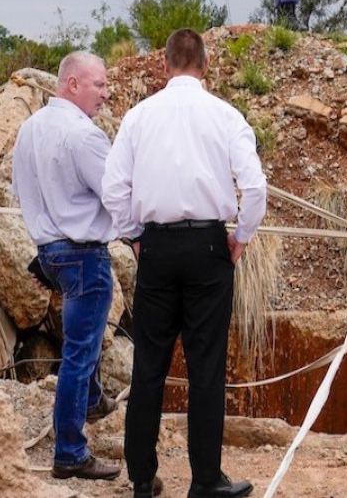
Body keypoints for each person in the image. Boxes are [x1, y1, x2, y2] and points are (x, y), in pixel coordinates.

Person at [102, 29, 266, 498]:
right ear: (206, 66)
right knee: (206, 366)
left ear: (165, 65)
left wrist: (134, 235)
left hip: (155, 249)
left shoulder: (138, 117)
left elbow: (114, 188)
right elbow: (254, 189)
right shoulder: (226, 115)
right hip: (209, 250)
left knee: (149, 364)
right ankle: (205, 480)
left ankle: (140, 478)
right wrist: (241, 237)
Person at [11, 52, 122, 483]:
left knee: (83, 340)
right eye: (99, 84)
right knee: (79, 352)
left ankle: (92, 399)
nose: (106, 93)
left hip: (50, 252)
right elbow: (117, 193)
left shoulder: (29, 129)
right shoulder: (84, 135)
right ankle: (70, 452)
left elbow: (20, 192)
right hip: (82, 252)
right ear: (72, 84)